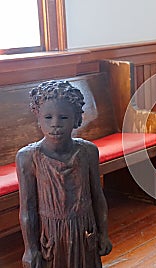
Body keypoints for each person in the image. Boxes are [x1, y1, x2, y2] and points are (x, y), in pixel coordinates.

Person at [16, 80, 112, 268]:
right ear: (38, 119)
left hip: (84, 231)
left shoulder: (88, 152)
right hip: (51, 235)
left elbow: (97, 196)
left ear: (77, 119)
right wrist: (30, 249)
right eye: (48, 117)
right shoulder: (28, 157)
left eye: (63, 118)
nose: (55, 125)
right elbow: (27, 209)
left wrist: (104, 233)